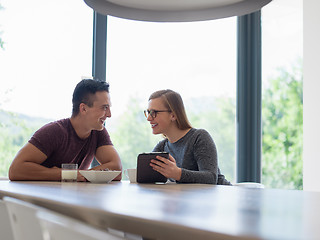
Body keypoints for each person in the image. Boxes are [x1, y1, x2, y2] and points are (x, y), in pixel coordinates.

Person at [9, 79, 122, 181]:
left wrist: (80, 175)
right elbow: (15, 170)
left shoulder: (98, 132)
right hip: (39, 200)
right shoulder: (55, 132)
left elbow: (116, 168)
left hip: (68, 198)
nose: (109, 114)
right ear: (83, 108)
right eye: (104, 107)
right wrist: (67, 174)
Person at [144, 89, 231, 185]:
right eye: (148, 112)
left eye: (154, 112)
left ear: (173, 115)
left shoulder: (199, 137)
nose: (148, 118)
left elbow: (211, 178)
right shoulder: (162, 147)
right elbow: (147, 177)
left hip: (222, 195)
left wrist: (178, 174)